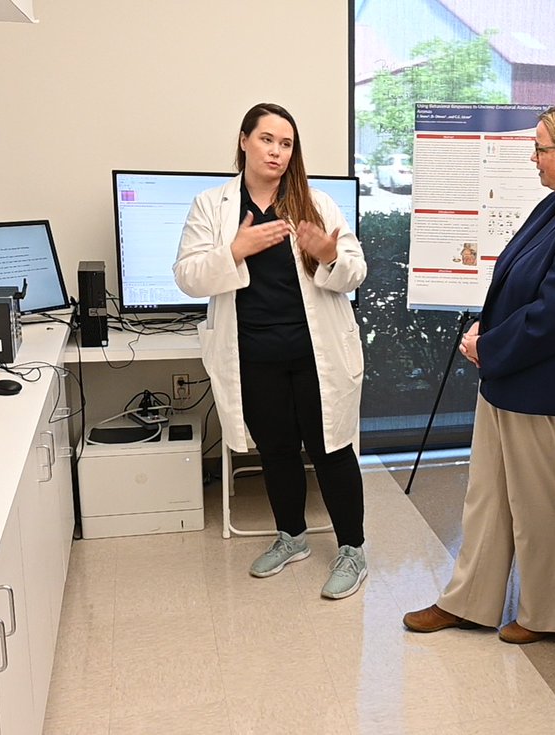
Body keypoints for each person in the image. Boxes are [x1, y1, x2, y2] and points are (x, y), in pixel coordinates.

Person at [402, 101, 555, 643]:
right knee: (486, 499)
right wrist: (487, 327)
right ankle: (470, 602)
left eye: (542, 149)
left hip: (549, 390)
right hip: (510, 378)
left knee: (541, 509)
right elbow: (513, 284)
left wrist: (489, 346)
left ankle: (546, 615)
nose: (533, 158)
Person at [174, 102, 369, 600]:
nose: (277, 151)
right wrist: (234, 250)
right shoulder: (211, 206)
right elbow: (188, 277)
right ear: (243, 141)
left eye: (286, 144)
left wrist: (328, 254)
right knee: (277, 450)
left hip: (314, 353)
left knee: (331, 449)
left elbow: (355, 272)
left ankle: (353, 550)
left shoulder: (317, 204)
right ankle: (293, 538)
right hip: (253, 353)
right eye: (267, 139)